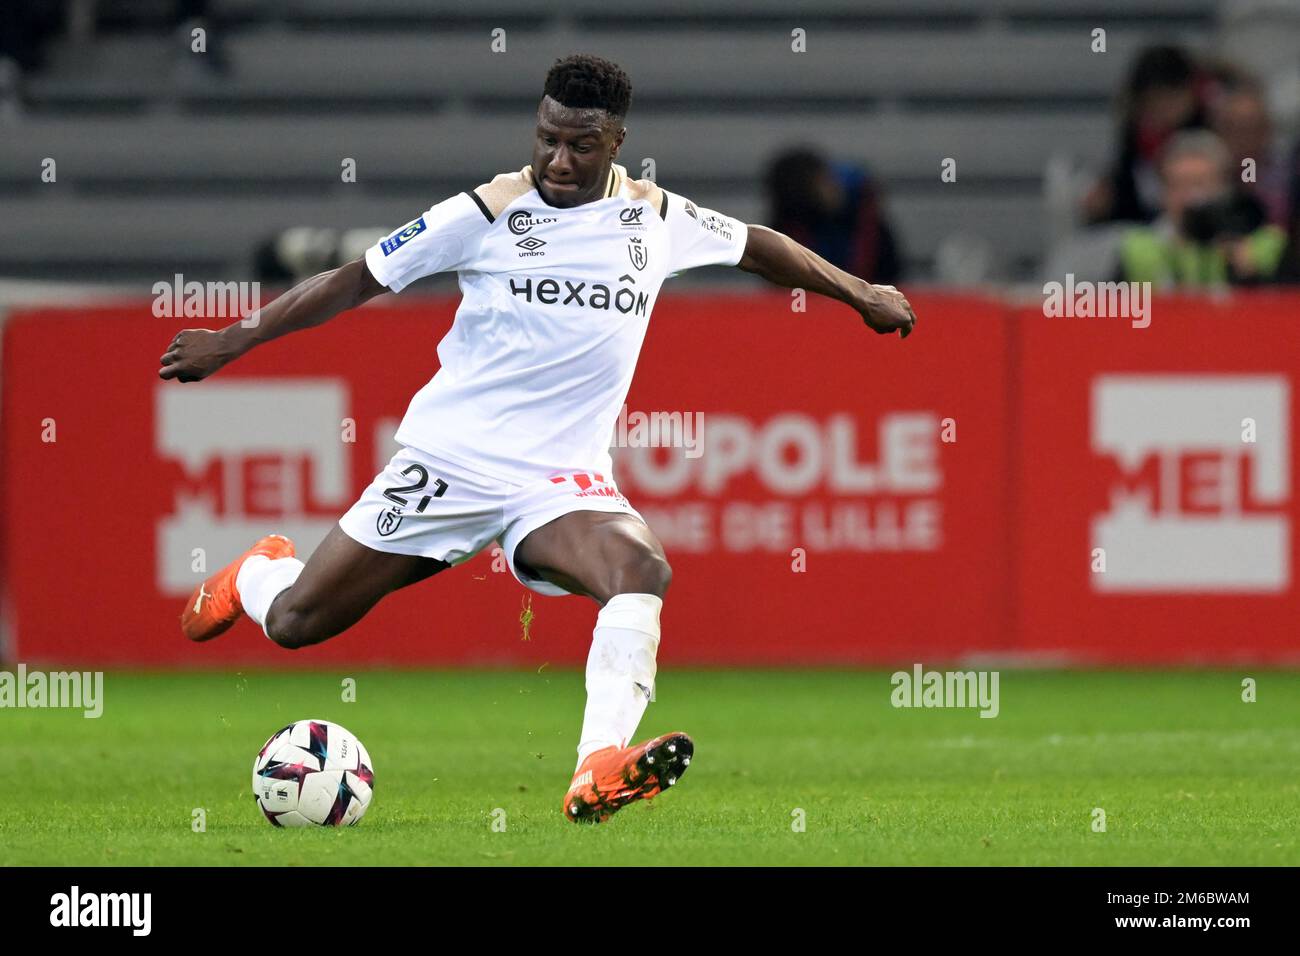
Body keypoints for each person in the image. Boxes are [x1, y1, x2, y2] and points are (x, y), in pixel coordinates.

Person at [159, 54, 916, 824]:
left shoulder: (655, 219)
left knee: (639, 569)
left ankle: (597, 766)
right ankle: (258, 574)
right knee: (296, 624)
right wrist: (232, 338)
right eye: (547, 138)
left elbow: (758, 245)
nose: (558, 159)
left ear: (615, 141)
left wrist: (860, 293)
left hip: (559, 483)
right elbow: (357, 279)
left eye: (579, 145)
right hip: (449, 462)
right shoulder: (486, 213)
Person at [1118, 129, 1286, 287]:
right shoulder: (1137, 249)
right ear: (1163, 193)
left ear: (1225, 189)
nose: (1190, 197)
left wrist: (1249, 274)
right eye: (1178, 185)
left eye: (1200, 184)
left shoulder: (1263, 245)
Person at [1084, 45, 1209, 225]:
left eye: (1170, 100)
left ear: (1190, 94)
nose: (1163, 112)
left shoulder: (1208, 136)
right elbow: (1125, 197)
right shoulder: (1136, 137)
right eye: (1154, 102)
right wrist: (1105, 203)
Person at [765, 147, 902, 283]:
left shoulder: (863, 206)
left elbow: (879, 267)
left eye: (828, 179)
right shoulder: (793, 223)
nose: (830, 188)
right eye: (820, 184)